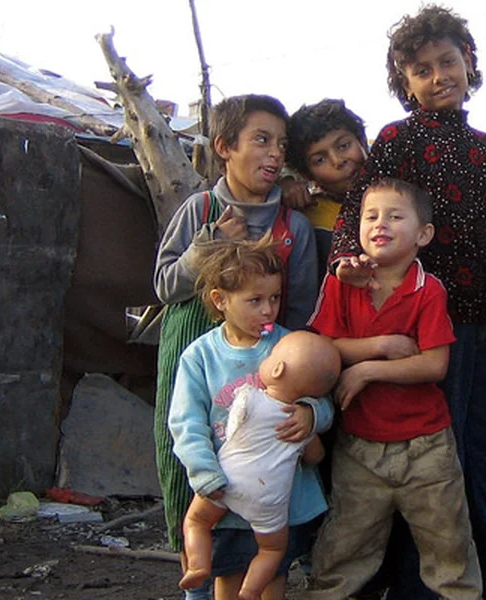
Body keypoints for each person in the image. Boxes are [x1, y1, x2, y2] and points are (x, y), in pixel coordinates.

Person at [328, 7, 486, 596]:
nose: (439, 76)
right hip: (420, 327)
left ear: (468, 62)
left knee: (481, 456)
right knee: (423, 463)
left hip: (485, 325)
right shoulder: (396, 141)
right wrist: (348, 260)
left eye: (447, 61)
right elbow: (359, 212)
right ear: (404, 81)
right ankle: (413, 586)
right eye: (422, 69)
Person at [153, 93, 318, 600]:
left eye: (281, 144)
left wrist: (302, 396)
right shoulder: (200, 210)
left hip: (265, 372)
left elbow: (303, 315)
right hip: (196, 360)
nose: (274, 153)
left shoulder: (294, 225)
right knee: (189, 474)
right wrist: (207, 244)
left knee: (261, 491)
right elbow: (163, 284)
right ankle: (196, 587)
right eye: (261, 140)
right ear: (225, 147)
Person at [307, 178, 482, 599]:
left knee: (450, 552)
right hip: (359, 448)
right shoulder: (341, 282)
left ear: (423, 234)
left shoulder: (428, 290)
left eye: (395, 216)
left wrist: (366, 372)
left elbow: (434, 364)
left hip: (426, 448)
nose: (380, 224)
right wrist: (382, 347)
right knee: (342, 553)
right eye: (371, 216)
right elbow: (322, 349)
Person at [169, 239, 334, 600]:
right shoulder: (201, 356)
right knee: (228, 573)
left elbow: (324, 395)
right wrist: (203, 472)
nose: (268, 310)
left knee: (273, 573)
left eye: (275, 298)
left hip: (282, 494)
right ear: (220, 300)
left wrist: (310, 414)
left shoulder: (290, 346)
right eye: (255, 300)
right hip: (224, 485)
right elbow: (186, 423)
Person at [179, 330, 341, 598]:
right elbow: (316, 457)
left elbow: (232, 429)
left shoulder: (249, 397)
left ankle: (198, 565)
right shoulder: (300, 424)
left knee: (197, 521)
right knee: (272, 550)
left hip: (228, 481)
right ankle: (251, 590)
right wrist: (308, 427)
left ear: (277, 369)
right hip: (271, 501)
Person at [286, 99, 368, 282]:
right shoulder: (309, 219)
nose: (338, 161)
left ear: (362, 141)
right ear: (307, 175)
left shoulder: (401, 195)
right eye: (319, 160)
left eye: (344, 146)